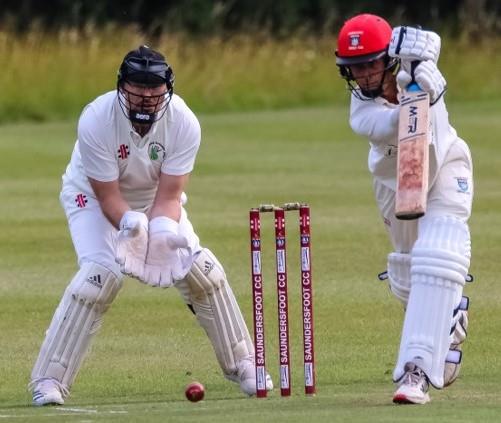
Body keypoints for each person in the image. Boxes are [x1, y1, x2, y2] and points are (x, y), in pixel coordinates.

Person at [29, 45, 272, 406]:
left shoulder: (184, 122)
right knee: (99, 276)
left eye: (153, 90)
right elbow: (108, 197)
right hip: (93, 200)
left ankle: (246, 364)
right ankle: (49, 380)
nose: (144, 97)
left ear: (166, 91)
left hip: (155, 199)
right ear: (121, 88)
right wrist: (131, 224)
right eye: (136, 89)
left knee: (201, 269)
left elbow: (170, 196)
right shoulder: (96, 118)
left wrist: (159, 233)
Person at [335, 14, 473, 404]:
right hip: (395, 182)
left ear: (388, 59)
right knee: (409, 276)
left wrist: (430, 82)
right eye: (353, 68)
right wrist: (421, 96)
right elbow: (396, 124)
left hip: (445, 167)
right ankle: (449, 316)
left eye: (369, 64)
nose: (362, 75)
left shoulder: (417, 71)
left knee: (438, 254)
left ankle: (415, 372)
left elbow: (431, 40)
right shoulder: (361, 111)